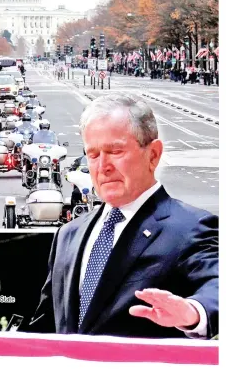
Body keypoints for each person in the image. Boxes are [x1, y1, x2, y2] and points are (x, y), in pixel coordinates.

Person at [29, 93, 218, 339]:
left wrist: (194, 312)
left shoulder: (191, 228)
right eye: (93, 154)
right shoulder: (68, 234)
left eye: (115, 151)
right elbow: (46, 325)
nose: (102, 166)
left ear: (153, 155)